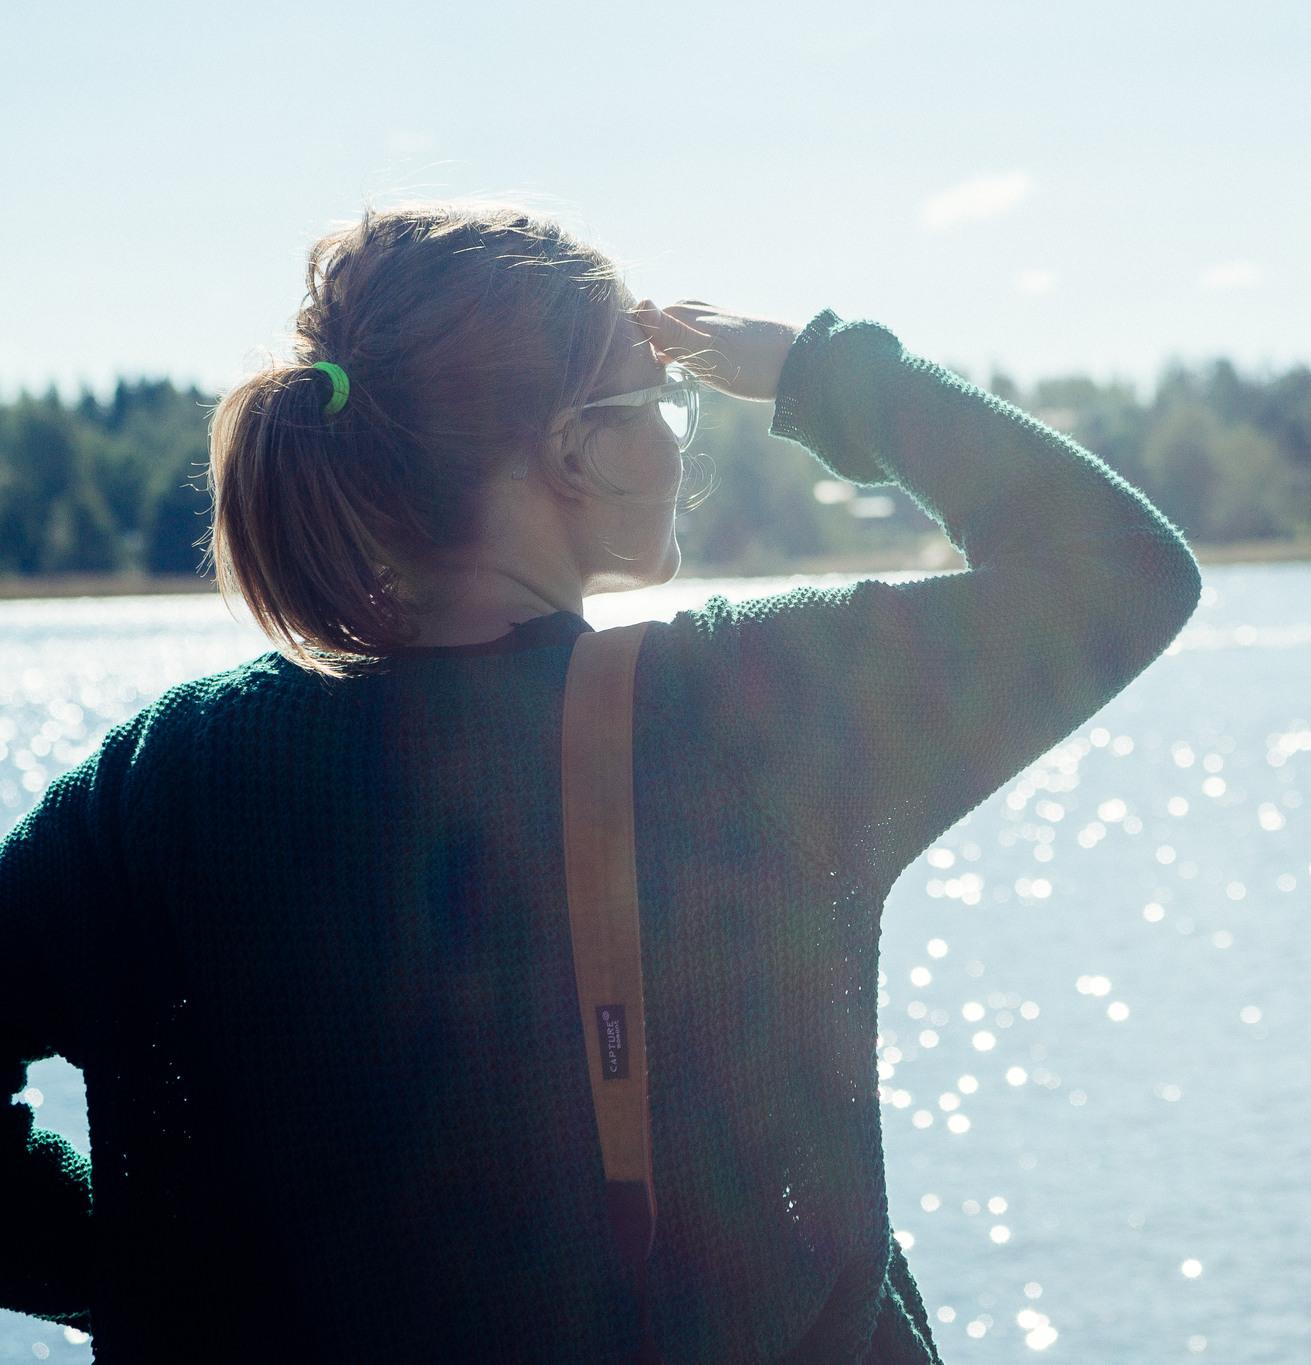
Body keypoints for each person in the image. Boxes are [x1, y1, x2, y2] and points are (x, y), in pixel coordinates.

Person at [0, 204, 1202, 1361]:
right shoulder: (737, 723)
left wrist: (144, 1280)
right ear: (574, 450)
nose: (681, 430)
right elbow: (1120, 567)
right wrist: (817, 376)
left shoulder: (165, 775)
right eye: (661, 396)